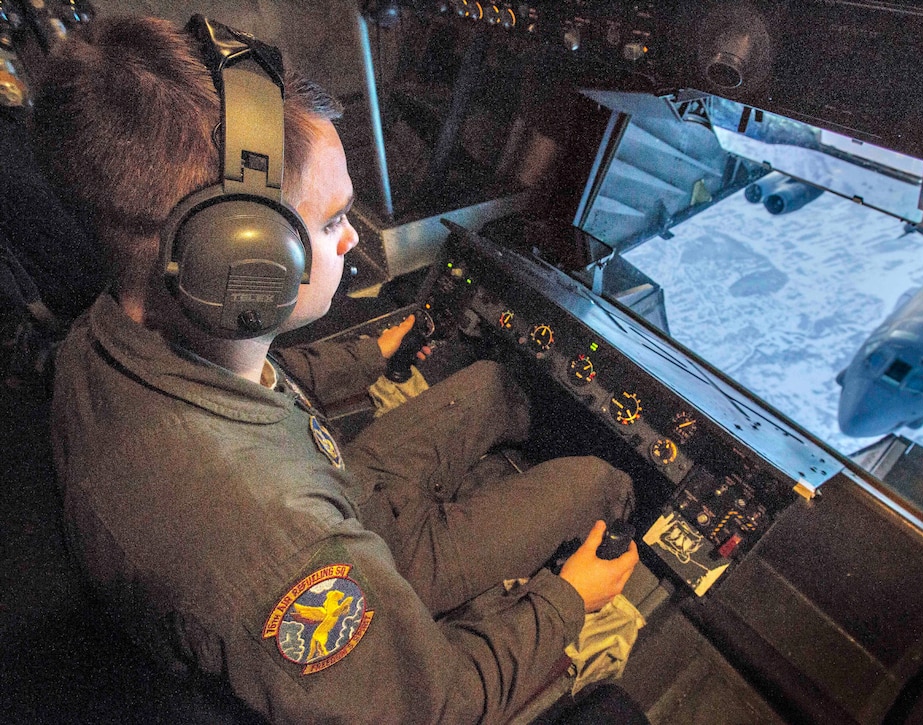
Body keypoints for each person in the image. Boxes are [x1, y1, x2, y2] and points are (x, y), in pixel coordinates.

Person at [39, 14, 638, 724]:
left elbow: (264, 382)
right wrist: (570, 596)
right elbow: (434, 706)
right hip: (346, 547)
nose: (354, 238)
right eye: (329, 224)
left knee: (495, 385)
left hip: (345, 489)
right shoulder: (284, 554)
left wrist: (371, 350)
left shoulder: (102, 332)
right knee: (605, 481)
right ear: (242, 262)